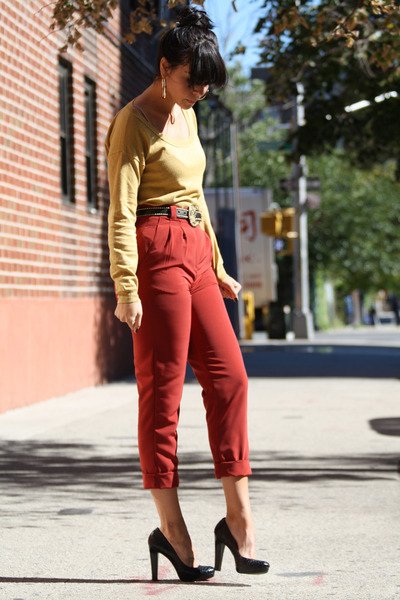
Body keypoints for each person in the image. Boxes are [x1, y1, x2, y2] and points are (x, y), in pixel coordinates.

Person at [105, 6, 269, 583]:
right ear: (164, 66)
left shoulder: (188, 115)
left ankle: (238, 517)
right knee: (164, 392)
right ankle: (172, 530)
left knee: (230, 378)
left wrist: (218, 264)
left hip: (196, 252)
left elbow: (195, 195)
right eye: (191, 80)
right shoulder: (135, 121)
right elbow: (122, 211)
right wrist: (127, 287)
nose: (200, 92)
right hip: (154, 253)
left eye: (206, 84)